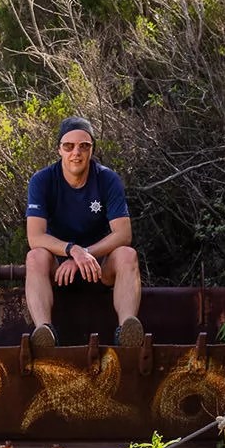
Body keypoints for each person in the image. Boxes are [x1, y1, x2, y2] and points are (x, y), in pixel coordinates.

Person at [24, 116, 143, 349]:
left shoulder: (107, 179)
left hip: (100, 268)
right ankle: (44, 332)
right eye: (69, 146)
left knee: (127, 254)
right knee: (35, 256)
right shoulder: (42, 180)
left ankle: (127, 331)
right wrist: (72, 251)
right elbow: (35, 237)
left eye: (84, 146)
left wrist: (84, 255)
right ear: (59, 149)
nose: (76, 152)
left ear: (92, 150)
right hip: (59, 270)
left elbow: (123, 233)